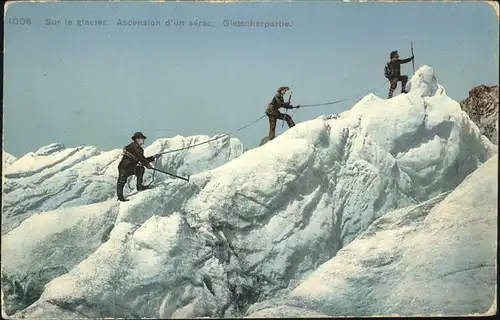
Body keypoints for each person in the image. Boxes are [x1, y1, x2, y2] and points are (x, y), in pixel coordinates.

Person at [116, 132, 160, 202]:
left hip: (131, 167)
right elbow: (142, 159)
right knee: (121, 182)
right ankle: (120, 197)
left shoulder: (135, 147)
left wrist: (153, 157)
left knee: (140, 169)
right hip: (124, 167)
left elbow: (142, 159)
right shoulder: (136, 148)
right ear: (137, 139)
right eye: (142, 139)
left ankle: (139, 187)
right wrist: (148, 165)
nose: (143, 140)